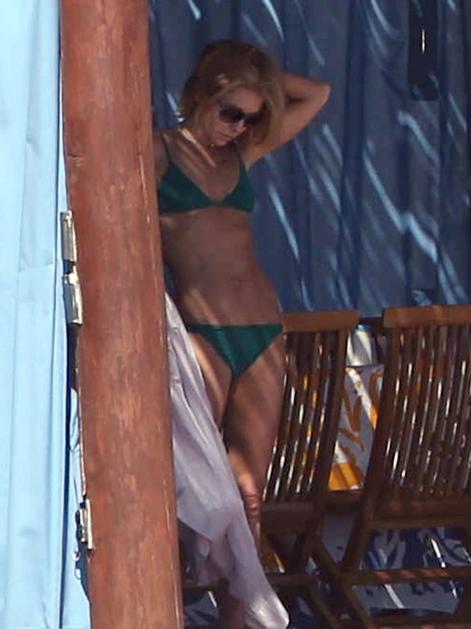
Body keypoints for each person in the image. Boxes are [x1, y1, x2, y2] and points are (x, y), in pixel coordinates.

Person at [154, 39, 330, 627]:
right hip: (203, 332)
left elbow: (319, 94)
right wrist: (237, 74)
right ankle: (162, 608)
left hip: (262, 332)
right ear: (204, 93)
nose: (239, 127)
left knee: (250, 491)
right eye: (231, 111)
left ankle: (238, 621)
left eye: (251, 118)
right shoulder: (158, 151)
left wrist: (257, 77)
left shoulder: (243, 154)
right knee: (190, 488)